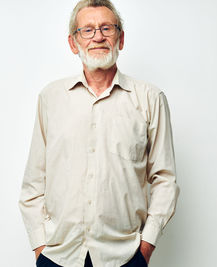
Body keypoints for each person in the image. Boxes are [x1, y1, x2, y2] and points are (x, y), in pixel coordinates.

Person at [18, 0, 180, 266]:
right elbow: (34, 180)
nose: (98, 37)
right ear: (73, 43)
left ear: (121, 38)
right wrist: (40, 246)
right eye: (88, 30)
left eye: (107, 28)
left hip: (125, 256)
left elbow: (165, 178)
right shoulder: (51, 98)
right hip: (59, 256)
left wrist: (146, 246)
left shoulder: (150, 98)